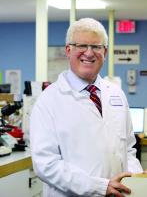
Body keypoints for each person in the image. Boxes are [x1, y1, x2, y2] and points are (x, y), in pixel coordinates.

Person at [30, 18, 143, 197]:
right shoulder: (49, 101)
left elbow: (128, 148)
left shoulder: (116, 95)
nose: (89, 53)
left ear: (104, 52)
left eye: (96, 47)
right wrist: (98, 186)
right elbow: (46, 164)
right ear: (68, 50)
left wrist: (136, 179)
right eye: (81, 45)